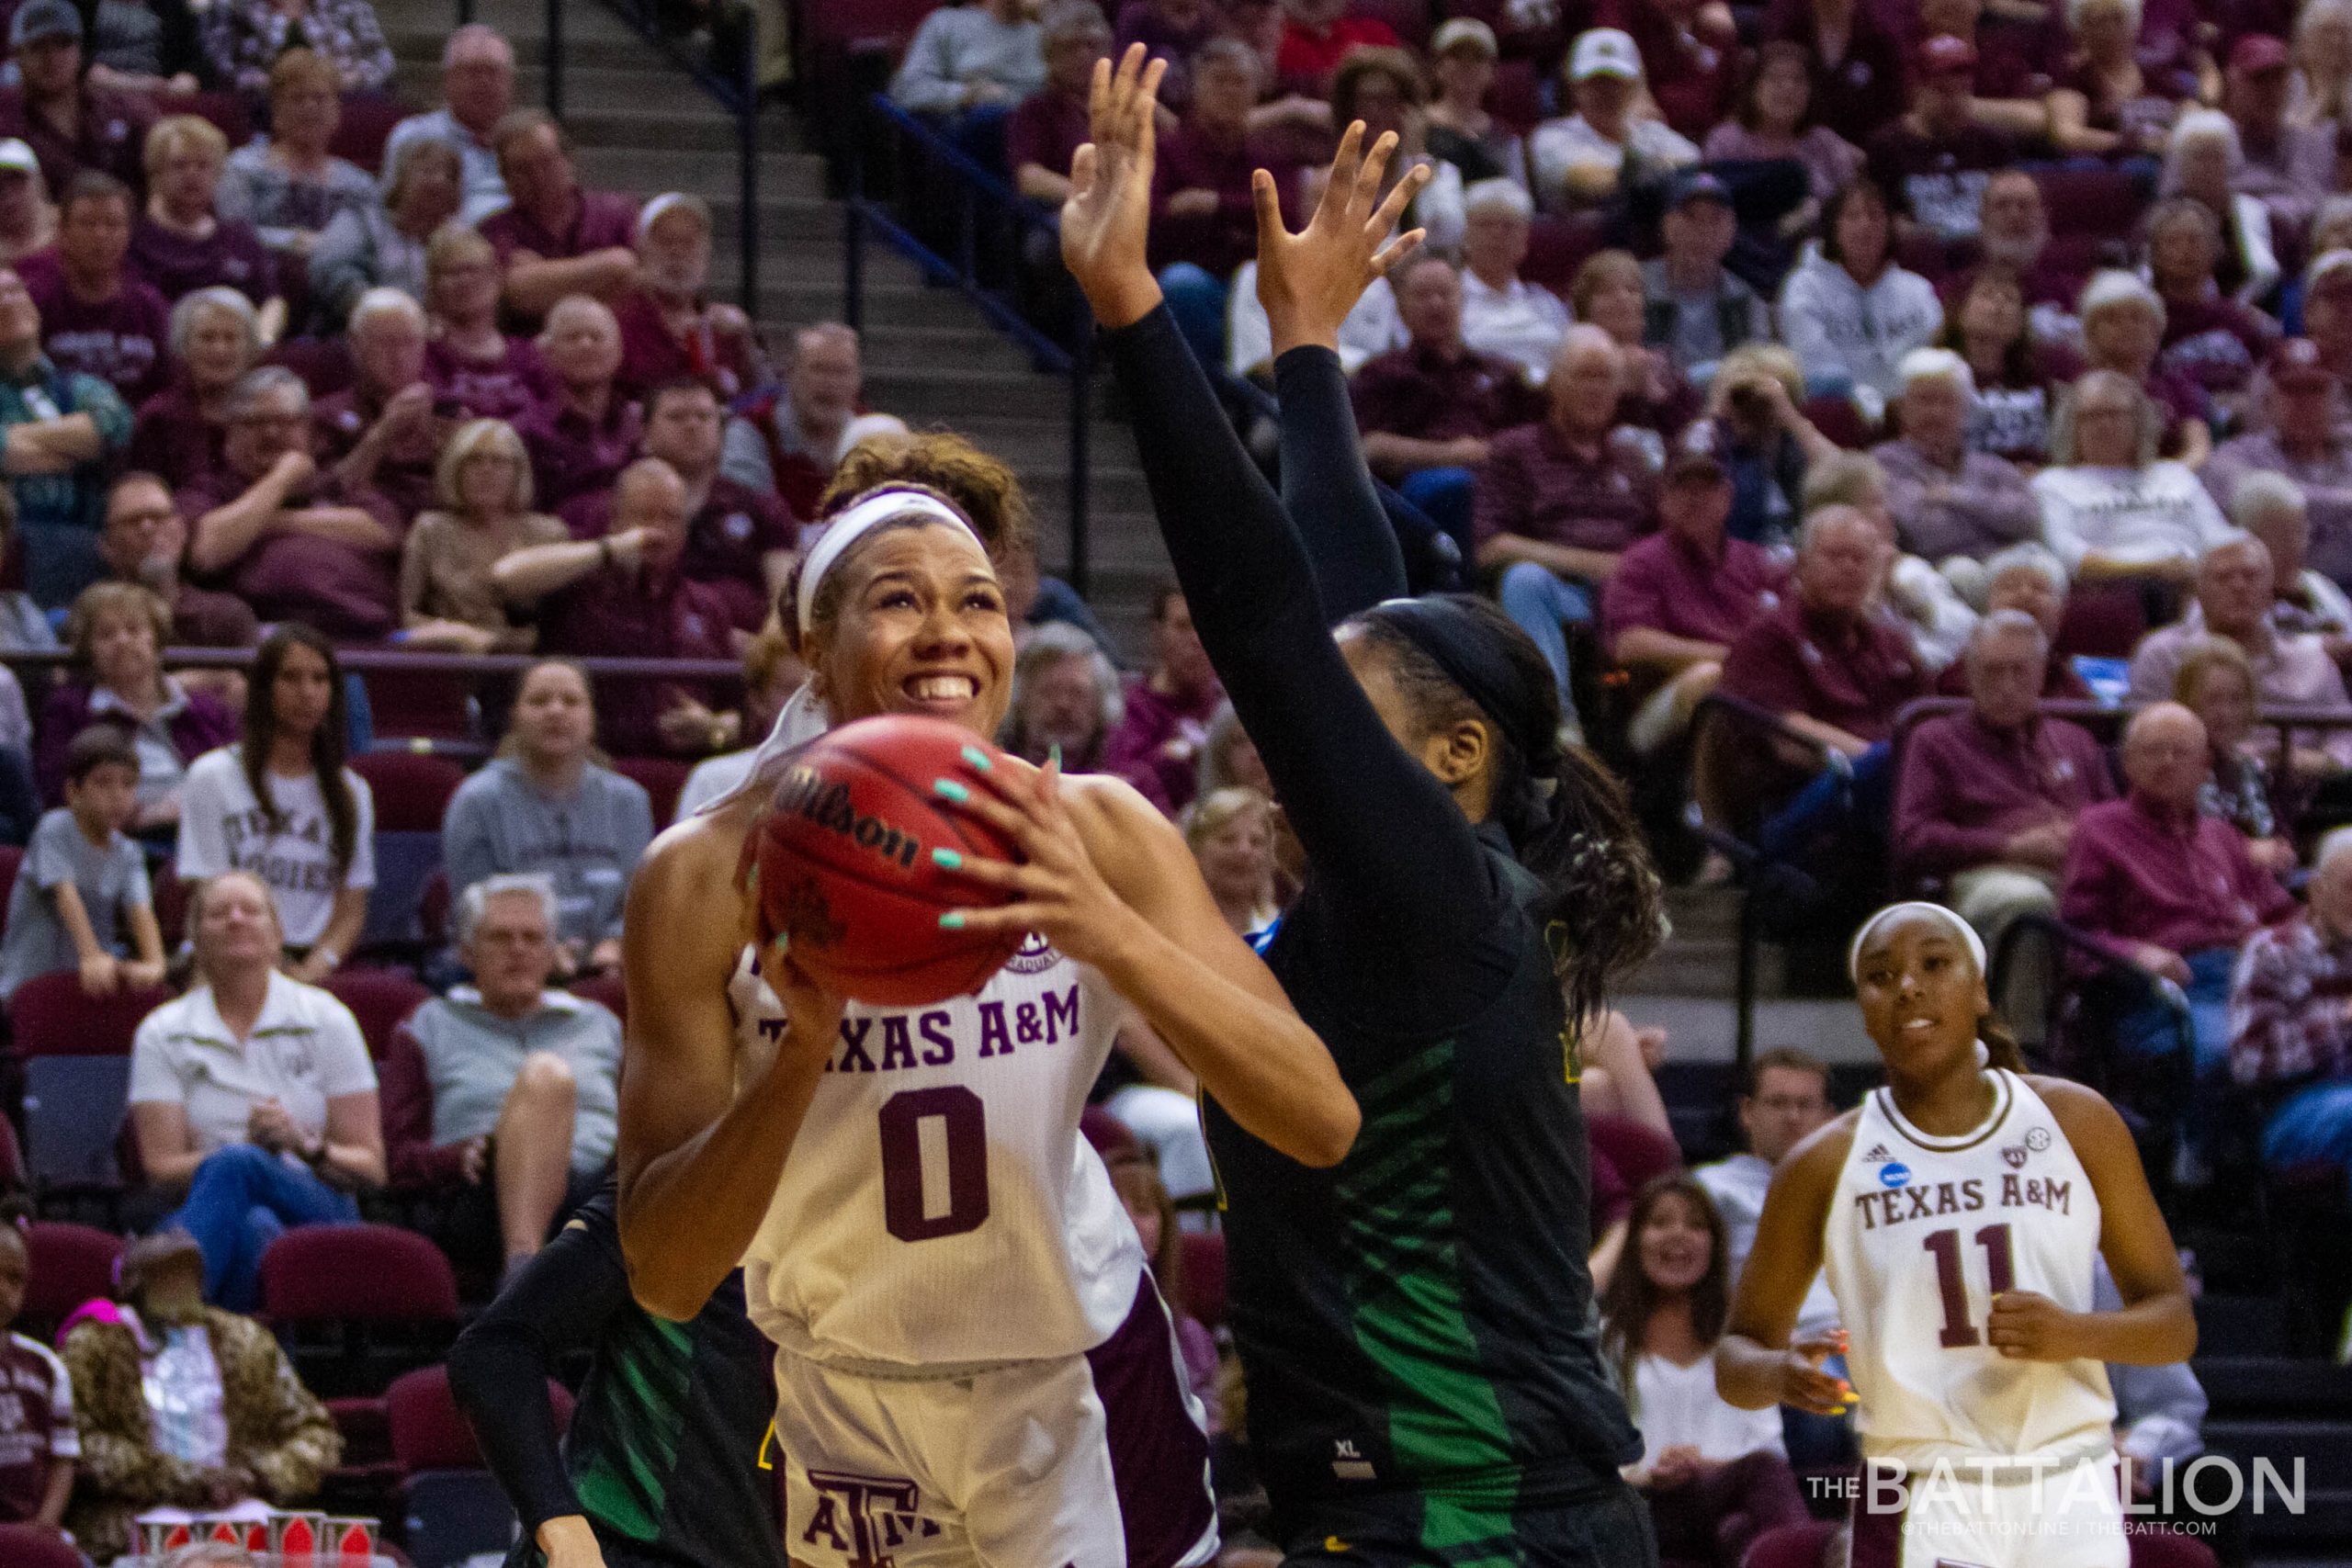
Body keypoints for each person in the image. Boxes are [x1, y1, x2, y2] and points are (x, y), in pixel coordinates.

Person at [619, 152, 1357, 1568]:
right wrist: (800, 1052)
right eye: (897, 600)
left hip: (1073, 1373)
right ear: (815, 650)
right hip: (840, 1397)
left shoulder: (1100, 826)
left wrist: (1110, 930)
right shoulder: (708, 876)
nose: (953, 633)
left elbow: (1317, 1117)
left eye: (979, 602)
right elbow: (660, 1267)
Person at [1062, 59, 1662, 1561]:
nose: (1291, 721)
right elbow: (1333, 591)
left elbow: (1270, 621)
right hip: (1452, 1505)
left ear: (1454, 754)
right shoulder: (1438, 891)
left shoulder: (1446, 904)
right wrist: (1311, 349)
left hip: (1469, 1520)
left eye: (1350, 705)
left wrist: (1140, 315)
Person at [1715, 901, 2197, 1568]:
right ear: (1864, 1008)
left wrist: (2075, 1332)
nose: (1908, 985)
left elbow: (2173, 1323)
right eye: (1881, 975)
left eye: (1935, 964)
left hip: (2070, 1479)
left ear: (1978, 989)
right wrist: (1781, 1370)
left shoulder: (2075, 1120)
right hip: (1913, 1485)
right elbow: (1736, 1358)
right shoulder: (1822, 1163)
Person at [447, 1176, 784, 1568]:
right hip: (626, 1548)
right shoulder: (687, 1190)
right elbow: (494, 1350)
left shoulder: (861, 1243)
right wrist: (563, 1532)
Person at [130, 870, 385, 1308]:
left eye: (251, 910)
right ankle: (261, 1370)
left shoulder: (327, 1019)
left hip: (318, 1199)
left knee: (239, 1163)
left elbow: (371, 1168)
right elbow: (162, 1168)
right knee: (256, 1227)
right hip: (206, 1204)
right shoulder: (164, 1031)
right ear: (194, 938)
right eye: (218, 913)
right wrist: (241, 1155)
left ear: (278, 934)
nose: (236, 919)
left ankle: (166, 1316)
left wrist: (302, 1146)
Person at [2060, 703, 2296, 1172]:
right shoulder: (2099, 830)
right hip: (2165, 990)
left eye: (2181, 752)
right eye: (2152, 751)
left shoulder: (2224, 837)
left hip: (2253, 976)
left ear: (2205, 766)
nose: (2167, 762)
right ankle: (2203, 1177)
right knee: (2233, 1048)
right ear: (2127, 763)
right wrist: (2135, 953)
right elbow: (2073, 938)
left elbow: (2279, 912)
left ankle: (2286, 1172)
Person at [382, 874, 619, 1280]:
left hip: (598, 1193)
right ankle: (521, 1274)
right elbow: (395, 1158)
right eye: (500, 938)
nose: (518, 950)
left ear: (553, 952)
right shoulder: (428, 1025)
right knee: (546, 1077)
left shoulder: (601, 1024)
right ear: (467, 952)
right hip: (481, 1195)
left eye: (532, 938)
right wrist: (456, 1158)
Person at [61, 1228, 340, 1562]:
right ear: (134, 1284)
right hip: (135, 1515)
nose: (178, 1285)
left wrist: (258, 1473)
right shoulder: (96, 1344)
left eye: (187, 1273)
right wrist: (182, 1478)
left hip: (241, 1506)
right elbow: (77, 1439)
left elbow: (314, 1431)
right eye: (165, 1274)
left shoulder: (246, 1340)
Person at [1600, 1176, 1807, 1568]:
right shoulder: (1606, 1340)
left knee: (1746, 1515)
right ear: (1635, 1241)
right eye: (1660, 1223)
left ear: (1714, 1244)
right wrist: (1654, 1473)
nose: (1678, 1236)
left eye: (1695, 1225)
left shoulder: (1742, 1339)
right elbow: (1596, 1460)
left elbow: (1767, 1451)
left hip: (1723, 1494)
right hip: (1642, 1504)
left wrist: (1701, 1467)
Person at [1894, 611, 2114, 948]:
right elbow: (1914, 837)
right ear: (1969, 675)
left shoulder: (2076, 739)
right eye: (1992, 672)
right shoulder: (1935, 739)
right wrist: (2010, 846)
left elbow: (2116, 822)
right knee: (2026, 903)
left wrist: (2082, 834)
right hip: (1991, 872)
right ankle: (2017, 1004)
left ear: (2040, 676)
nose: (2007, 686)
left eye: (2019, 672)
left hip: (2080, 869)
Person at [1475, 325, 1659, 728]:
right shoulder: (1515, 450)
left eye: (1605, 377)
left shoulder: (1633, 458)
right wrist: (1594, 564)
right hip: (1558, 593)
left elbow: (1662, 543)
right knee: (1523, 580)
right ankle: (1558, 726)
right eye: (1583, 375)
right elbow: (1491, 548)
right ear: (1554, 384)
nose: (1595, 389)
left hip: (1628, 599)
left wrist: (1627, 575)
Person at [1718, 506, 1928, 848]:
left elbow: (1926, 716)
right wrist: (1889, 765)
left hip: (1893, 788)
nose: (1847, 568)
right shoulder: (1770, 637)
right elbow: (1787, 740)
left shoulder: (1890, 643)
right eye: (1834, 556)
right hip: (1804, 799)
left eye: (1859, 558)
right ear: (1801, 565)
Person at [502, 459, 735, 759]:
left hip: (683, 770)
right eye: (644, 518)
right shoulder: (576, 586)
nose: (657, 531)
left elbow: (739, 712)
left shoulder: (707, 605)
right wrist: (610, 549)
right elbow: (507, 577)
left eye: (671, 518)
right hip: (582, 766)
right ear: (614, 522)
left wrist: (714, 727)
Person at [175, 625, 375, 972]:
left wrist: (313, 970)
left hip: (314, 966)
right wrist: (270, 968)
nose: (307, 692)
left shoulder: (351, 791)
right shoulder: (212, 776)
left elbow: (351, 907)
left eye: (319, 679)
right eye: (291, 678)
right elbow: (210, 892)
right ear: (264, 689)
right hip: (229, 956)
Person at [442, 660, 655, 976]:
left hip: (610, 968)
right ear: (515, 716)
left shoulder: (629, 801)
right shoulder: (477, 801)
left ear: (592, 718)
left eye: (571, 701)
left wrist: (615, 944)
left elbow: (641, 902)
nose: (556, 711)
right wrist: (542, 953)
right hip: (511, 967)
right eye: (539, 701)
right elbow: (475, 910)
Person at [180, 366, 401, 641]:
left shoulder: (333, 484)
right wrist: (282, 478)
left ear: (307, 430)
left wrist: (272, 521)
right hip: (272, 643)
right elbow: (205, 552)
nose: (271, 432)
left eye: (285, 421)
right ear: (230, 433)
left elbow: (384, 531)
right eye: (254, 422)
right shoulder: (210, 491)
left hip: (370, 634)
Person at [1353, 253, 1544, 558]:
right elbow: (1370, 447)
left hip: (1498, 480)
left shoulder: (1500, 372)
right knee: (1455, 487)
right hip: (1423, 486)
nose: (1436, 304)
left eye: (1445, 293)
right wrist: (1452, 455)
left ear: (1462, 299)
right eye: (1423, 295)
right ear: (1400, 308)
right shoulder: (1383, 373)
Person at [566, 378, 792, 636]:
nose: (693, 426)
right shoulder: (604, 507)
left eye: (704, 417)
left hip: (740, 661)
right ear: (644, 433)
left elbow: (785, 600)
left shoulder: (761, 507)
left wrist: (763, 650)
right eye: (676, 417)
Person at [1601, 442, 1784, 756]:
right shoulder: (1642, 560)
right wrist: (1729, 656)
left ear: (1727, 496)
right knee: (1709, 681)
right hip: (1657, 701)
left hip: (1754, 692)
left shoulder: (1758, 561)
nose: (1696, 498)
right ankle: (1702, 802)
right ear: (1664, 499)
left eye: (1708, 487)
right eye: (1684, 488)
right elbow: (1631, 643)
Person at [2229, 827, 2352, 1222]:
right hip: (2293, 1110)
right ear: (2315, 890)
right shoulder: (2274, 951)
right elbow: (2250, 1062)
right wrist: (2341, 1021)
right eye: (2349, 887)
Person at [37, 580, 234, 820]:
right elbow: (58, 794)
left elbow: (235, 782)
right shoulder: (69, 710)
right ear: (90, 650)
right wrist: (142, 817)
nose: (122, 641)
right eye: (106, 634)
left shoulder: (205, 710)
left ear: (155, 639)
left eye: (134, 629)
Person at [0, 261, 135, 608]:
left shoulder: (79, 386)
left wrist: (14, 435)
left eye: (14, 291)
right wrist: (73, 449)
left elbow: (110, 426)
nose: (8, 302)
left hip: (85, 540)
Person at [1692, 1049, 1839, 1358]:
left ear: (1829, 1117)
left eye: (1806, 1105)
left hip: (1855, 1346)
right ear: (1747, 1112)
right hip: (1764, 1351)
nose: (1793, 1117)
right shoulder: (1710, 1187)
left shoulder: (1855, 1189)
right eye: (1778, 1103)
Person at [0, 726, 163, 999]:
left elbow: (141, 911)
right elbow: (67, 896)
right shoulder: (53, 829)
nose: (117, 795)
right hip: (25, 989)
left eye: (128, 784)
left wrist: (156, 963)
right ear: (73, 791)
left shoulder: (129, 852)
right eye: (103, 783)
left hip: (90, 986)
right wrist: (91, 956)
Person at [2032, 370, 2233, 590]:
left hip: (2195, 579)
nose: (2104, 424)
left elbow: (2219, 537)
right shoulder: (2052, 483)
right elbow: (2067, 554)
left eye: (2115, 414)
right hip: (2112, 588)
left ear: (2139, 421)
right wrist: (2152, 568)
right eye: (2092, 415)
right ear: (2072, 426)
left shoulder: (2175, 475)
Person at [2127, 536, 2350, 733]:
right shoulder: (2160, 656)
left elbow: (2345, 738)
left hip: (2310, 776)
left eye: (2251, 576)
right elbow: (2144, 742)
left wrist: (2310, 762)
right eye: (2223, 577)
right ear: (2199, 591)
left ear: (2270, 591)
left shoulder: (2311, 660)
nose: (2239, 586)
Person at [1777, 177, 1943, 422]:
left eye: (1875, 216)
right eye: (1853, 217)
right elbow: (1814, 366)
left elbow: (1934, 358)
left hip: (1912, 413)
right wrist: (1869, 406)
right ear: (1834, 228)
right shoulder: (1804, 288)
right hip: (1838, 414)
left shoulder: (1918, 291)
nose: (1865, 225)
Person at [398, 416, 564, 653]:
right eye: (474, 460)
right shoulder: (430, 530)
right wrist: (460, 634)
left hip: (530, 663)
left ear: (518, 472)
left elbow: (563, 623)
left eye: (498, 461)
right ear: (455, 470)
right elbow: (408, 617)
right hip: (451, 657)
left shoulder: (548, 534)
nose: (486, 470)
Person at [1873, 349, 2041, 573]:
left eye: (1947, 401)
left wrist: (1958, 496)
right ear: (1902, 409)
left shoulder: (1992, 466)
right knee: (1963, 572)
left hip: (2002, 569)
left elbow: (2027, 519)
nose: (1936, 412)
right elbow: (1926, 533)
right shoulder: (1883, 463)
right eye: (1925, 400)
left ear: (1965, 409)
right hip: (1933, 571)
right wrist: (1995, 524)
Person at [720, 321, 908, 521]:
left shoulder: (874, 434)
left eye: (841, 371)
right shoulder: (754, 428)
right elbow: (750, 515)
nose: (830, 383)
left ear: (857, 380)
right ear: (791, 374)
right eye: (819, 369)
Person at [2202, 340, 2352, 586]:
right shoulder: (2237, 455)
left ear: (2335, 401)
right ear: (2268, 402)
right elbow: (2267, 501)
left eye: (2315, 390)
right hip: (2277, 593)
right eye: (2291, 390)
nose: (2304, 403)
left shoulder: (2347, 453)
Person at [20, 171, 170, 409]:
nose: (101, 235)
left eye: (112, 224)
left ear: (128, 233)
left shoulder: (149, 305)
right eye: (88, 224)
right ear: (62, 232)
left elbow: (166, 388)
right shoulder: (35, 303)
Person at [481, 111, 639, 326]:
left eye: (546, 162)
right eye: (522, 170)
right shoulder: (496, 230)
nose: (538, 177)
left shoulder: (617, 213)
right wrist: (611, 267)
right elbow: (520, 293)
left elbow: (639, 285)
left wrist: (543, 275)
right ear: (505, 179)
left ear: (569, 161)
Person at [215, 49, 376, 259]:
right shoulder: (242, 168)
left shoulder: (358, 184)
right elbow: (233, 235)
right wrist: (294, 241)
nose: (309, 107)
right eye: (297, 98)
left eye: (319, 98)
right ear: (276, 110)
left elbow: (368, 246)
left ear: (337, 111)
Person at [311, 286, 450, 525]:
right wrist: (381, 434)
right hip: (357, 534)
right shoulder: (325, 415)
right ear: (354, 345)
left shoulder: (449, 411)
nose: (398, 357)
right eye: (384, 343)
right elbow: (324, 496)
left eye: (409, 342)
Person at [1865, 34, 2015, 248]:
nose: (1955, 102)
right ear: (1918, 89)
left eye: (1963, 90)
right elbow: (1882, 220)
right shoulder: (1887, 146)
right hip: (1921, 260)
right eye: (1942, 91)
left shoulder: (1994, 143)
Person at [303, 132, 461, 332]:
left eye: (449, 175)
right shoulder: (361, 219)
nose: (439, 180)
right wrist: (385, 317)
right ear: (401, 177)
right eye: (428, 170)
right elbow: (330, 269)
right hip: (364, 333)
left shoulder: (457, 237)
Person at [1531, 28, 1701, 212]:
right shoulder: (1552, 136)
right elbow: (1597, 184)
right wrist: (1659, 166)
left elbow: (1694, 167)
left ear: (1635, 86)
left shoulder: (1651, 132)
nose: (1606, 92)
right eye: (1595, 81)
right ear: (1574, 86)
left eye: (1616, 81)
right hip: (1593, 237)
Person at [1701, 41, 1863, 232]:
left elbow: (1851, 204)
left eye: (1798, 80)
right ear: (1754, 88)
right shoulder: (1725, 142)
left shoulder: (1825, 143)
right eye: (1775, 79)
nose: (1788, 89)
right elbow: (1709, 204)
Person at [130, 116, 277, 326]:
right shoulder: (136, 239)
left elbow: (271, 300)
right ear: (156, 174)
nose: (192, 174)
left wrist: (263, 339)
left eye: (203, 165)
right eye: (179, 165)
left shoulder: (239, 237)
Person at [0, 0, 154, 199]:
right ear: (17, 56)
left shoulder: (122, 110)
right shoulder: (6, 121)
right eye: (38, 46)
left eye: (63, 44)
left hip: (122, 226)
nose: (52, 57)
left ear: (80, 49)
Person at [1108, 1156, 1221, 1427]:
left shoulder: (1191, 1336)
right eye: (1118, 1213)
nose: (1132, 1224)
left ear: (1165, 1226)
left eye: (1144, 1210)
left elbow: (1213, 1419)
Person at [612, 193, 760, 401]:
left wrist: (746, 340)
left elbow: (758, 400)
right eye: (666, 241)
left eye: (688, 243)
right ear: (643, 252)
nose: (677, 252)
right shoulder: (620, 322)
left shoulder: (726, 329)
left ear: (706, 254)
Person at [2066, 269, 2211, 473]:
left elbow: (2198, 449)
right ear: (2091, 333)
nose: (2127, 326)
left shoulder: (2176, 387)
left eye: (2137, 318)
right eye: (2112, 319)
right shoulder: (2077, 389)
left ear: (2156, 330)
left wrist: (2166, 481)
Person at [2171, 636, 2296, 871]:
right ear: (2187, 703)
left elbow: (2282, 839)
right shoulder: (2172, 769)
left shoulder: (2254, 770)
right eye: (2213, 700)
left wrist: (2281, 853)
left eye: (2236, 700)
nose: (2225, 713)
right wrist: (2245, 853)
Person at [97, 468, 257, 649]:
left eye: (158, 517)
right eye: (132, 521)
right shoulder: (91, 623)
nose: (147, 527)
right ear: (107, 545)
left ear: (181, 533)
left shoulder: (226, 619)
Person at [1101, 582, 1223, 818]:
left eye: (1205, 625)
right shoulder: (1128, 706)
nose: (1196, 640)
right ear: (1158, 632)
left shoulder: (1232, 710)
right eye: (1183, 626)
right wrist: (1170, 756)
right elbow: (1122, 782)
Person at [128, 285, 259, 491]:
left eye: (231, 338)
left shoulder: (268, 412)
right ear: (183, 347)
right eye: (207, 337)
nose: (220, 349)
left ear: (250, 348)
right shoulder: (157, 417)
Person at [382, 24, 515, 226]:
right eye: (473, 71)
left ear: (511, 83)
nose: (484, 82)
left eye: (494, 72)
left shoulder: (526, 144)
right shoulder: (415, 137)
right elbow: (390, 217)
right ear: (448, 81)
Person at [2145, 198, 2277, 401]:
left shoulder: (2238, 318)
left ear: (2213, 250)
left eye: (2195, 240)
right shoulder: (2146, 320)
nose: (2185, 250)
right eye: (2173, 241)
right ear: (2156, 253)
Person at [672, 622, 804, 824]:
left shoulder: (857, 777)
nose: (810, 701)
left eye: (818, 687)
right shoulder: (713, 780)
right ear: (758, 701)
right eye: (792, 689)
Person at [1642, 171, 1767, 384]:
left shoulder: (1745, 301)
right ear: (1667, 226)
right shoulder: (1635, 288)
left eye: (1715, 220)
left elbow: (1757, 374)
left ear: (1731, 231)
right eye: (1691, 217)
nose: (1703, 231)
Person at [887, 0, 1045, 167]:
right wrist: (969, 93)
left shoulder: (1046, 33)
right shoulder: (947, 23)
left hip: (1041, 130)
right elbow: (907, 89)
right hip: (980, 135)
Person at [517, 293, 637, 512]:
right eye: (572, 337)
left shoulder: (639, 426)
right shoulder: (529, 433)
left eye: (597, 336)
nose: (585, 345)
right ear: (548, 355)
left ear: (619, 352)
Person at [2158, 112, 2279, 326]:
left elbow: (2267, 274)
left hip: (2245, 316)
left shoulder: (2252, 211)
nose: (2207, 165)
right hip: (2177, 317)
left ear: (2232, 159)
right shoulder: (2163, 215)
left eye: (2216, 156)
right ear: (2181, 163)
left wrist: (2235, 312)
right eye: (2198, 156)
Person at [423, 222, 547, 425]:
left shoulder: (529, 356)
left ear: (496, 277)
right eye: (451, 272)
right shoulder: (425, 356)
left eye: (471, 269)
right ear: (433, 286)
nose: (464, 280)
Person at [0, 1217, 75, 1539]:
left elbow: (63, 1459)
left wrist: (42, 1530)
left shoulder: (45, 1364)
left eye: (14, 1279)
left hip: (32, 1531)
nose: (2, 1289)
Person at [1944, 268, 2064, 468]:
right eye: (1986, 294)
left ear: (2020, 322)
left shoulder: (2038, 378)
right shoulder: (1941, 374)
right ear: (1960, 313)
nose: (1999, 304)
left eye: (2009, 299)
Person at [2046, 0, 2188, 160]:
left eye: (2118, 19)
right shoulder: (2073, 78)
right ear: (2080, 30)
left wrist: (2179, 136)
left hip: (2163, 161)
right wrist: (2135, 144)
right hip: (2105, 166)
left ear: (2133, 26)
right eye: (2097, 22)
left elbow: (2188, 108)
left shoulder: (2154, 74)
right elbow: (2067, 134)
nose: (2108, 29)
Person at [1457, 179, 1566, 385]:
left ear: (1525, 239)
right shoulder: (1451, 300)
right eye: (1485, 224)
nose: (1497, 235)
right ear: (1465, 235)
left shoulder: (1546, 303)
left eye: (1508, 226)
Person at [1761, 0, 1908, 148]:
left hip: (1862, 150)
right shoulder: (1791, 30)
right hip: (1799, 147)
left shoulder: (1877, 38)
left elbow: (1893, 107)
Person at [2220, 34, 2326, 234]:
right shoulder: (2218, 138)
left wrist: (2256, 202)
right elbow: (2218, 199)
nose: (2271, 90)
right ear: (2236, 84)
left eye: (2278, 78)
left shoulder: (2304, 140)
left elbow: (2311, 202)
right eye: (2260, 79)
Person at [2229, 469, 2352, 640]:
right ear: (2249, 538)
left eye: (2299, 531)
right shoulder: (2235, 600)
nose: (2297, 545)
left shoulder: (2318, 586)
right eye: (2282, 535)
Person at [1010, 2, 1110, 206]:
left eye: (1091, 45)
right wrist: (1088, 195)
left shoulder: (1122, 105)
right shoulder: (1036, 109)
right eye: (1070, 47)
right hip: (1067, 214)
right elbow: (1029, 178)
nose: (1083, 55)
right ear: (1050, 57)